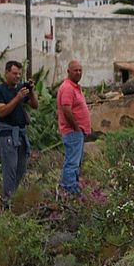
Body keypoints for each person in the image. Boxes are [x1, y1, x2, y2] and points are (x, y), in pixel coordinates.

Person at [0, 60, 38, 209]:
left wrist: (31, 92)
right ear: (6, 73)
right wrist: (17, 98)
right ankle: (7, 203)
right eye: (14, 73)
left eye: (19, 73)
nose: (17, 76)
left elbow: (35, 105)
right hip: (7, 135)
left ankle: (12, 198)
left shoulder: (20, 89)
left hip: (21, 135)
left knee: (21, 169)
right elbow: (1, 111)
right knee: (9, 170)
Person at [57, 60, 91, 195]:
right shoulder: (68, 87)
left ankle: (73, 188)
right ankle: (70, 191)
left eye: (80, 70)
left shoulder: (75, 87)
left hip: (78, 132)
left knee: (75, 162)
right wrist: (76, 127)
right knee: (72, 163)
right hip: (72, 132)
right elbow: (66, 109)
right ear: (68, 71)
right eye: (75, 70)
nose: (78, 73)